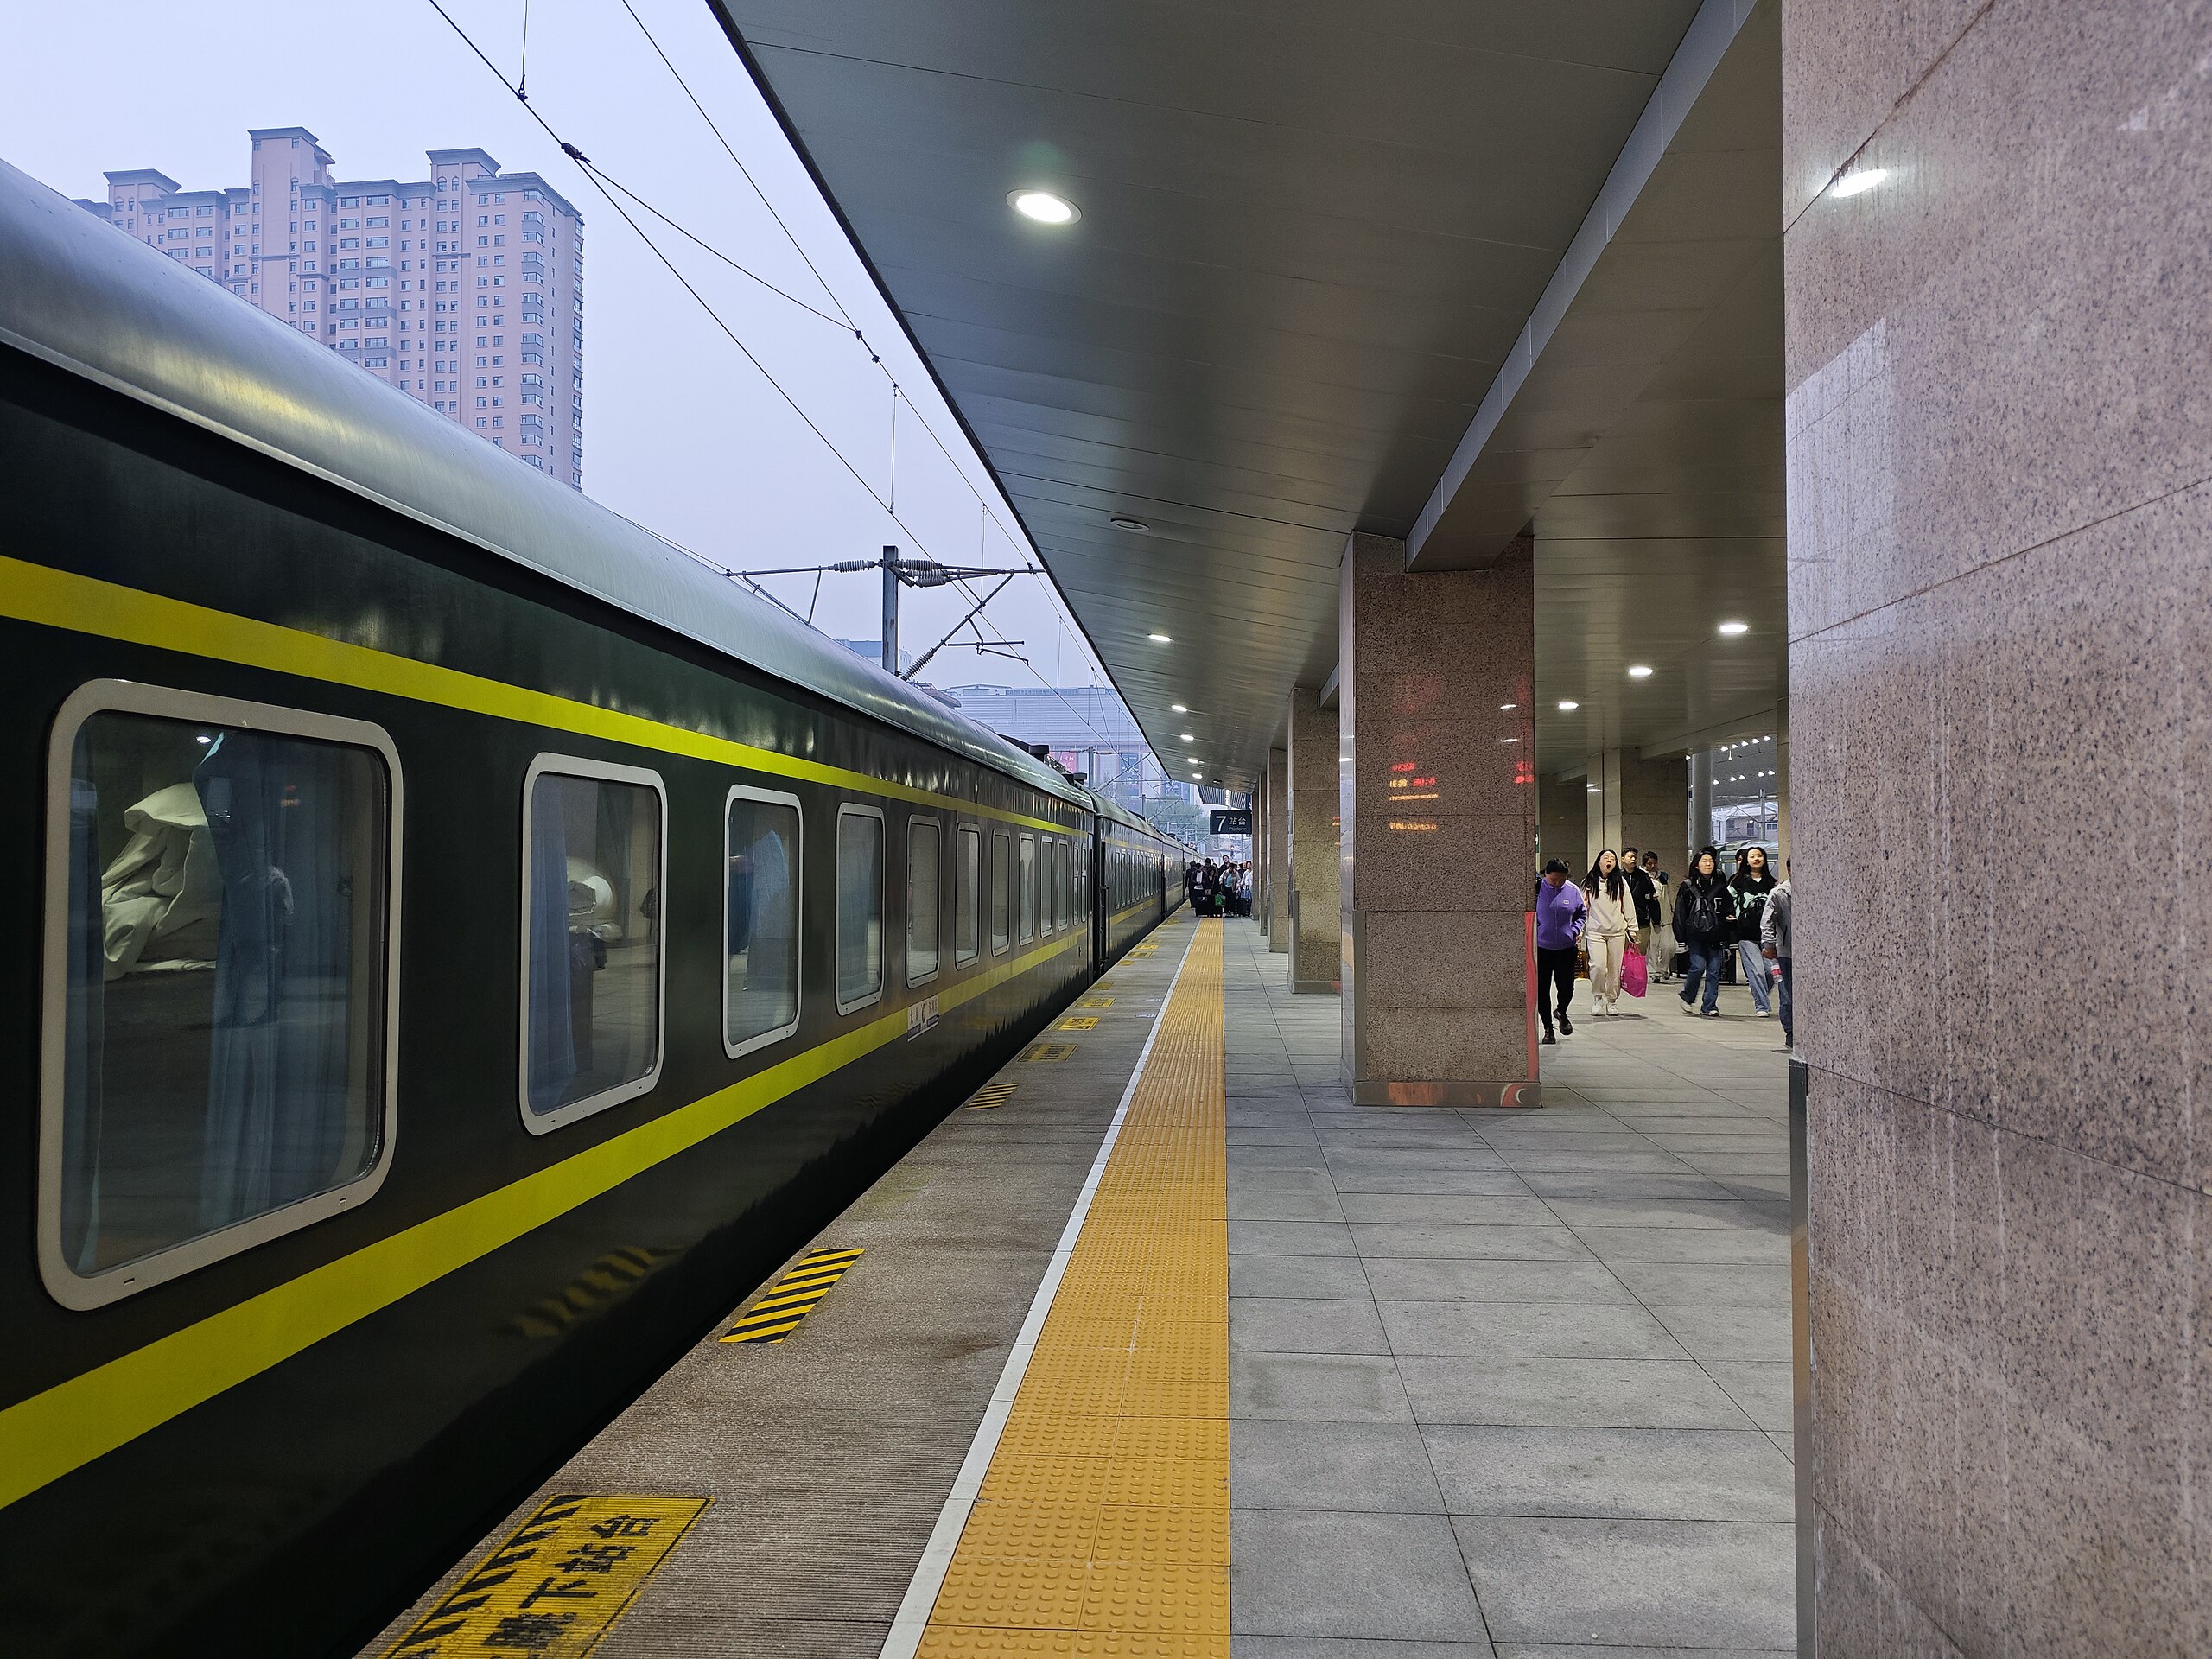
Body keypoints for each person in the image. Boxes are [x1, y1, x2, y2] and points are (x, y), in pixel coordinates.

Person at [1673, 848, 1732, 1017]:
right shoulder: (1688, 886)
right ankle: (1688, 995)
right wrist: (1680, 938)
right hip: (1695, 935)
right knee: (1698, 966)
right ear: (1696, 865)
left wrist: (1729, 921)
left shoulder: (1720, 886)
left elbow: (1728, 907)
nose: (1708, 864)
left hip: (1715, 935)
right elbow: (1680, 913)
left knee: (1714, 971)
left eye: (1711, 861)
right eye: (1704, 861)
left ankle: (1709, 1006)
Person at [1534, 857, 1586, 1043]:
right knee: (1542, 990)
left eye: (1561, 880)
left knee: (1566, 987)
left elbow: (1582, 914)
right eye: (1553, 879)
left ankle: (1562, 1011)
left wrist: (1574, 930)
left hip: (1565, 948)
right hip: (1542, 948)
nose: (1557, 883)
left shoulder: (1572, 890)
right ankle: (1548, 1028)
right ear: (1546, 875)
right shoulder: (1536, 890)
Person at [1581, 849, 1637, 1018]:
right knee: (1597, 966)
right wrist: (1579, 929)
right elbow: (1582, 907)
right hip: (1595, 932)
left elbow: (1628, 906)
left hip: (1616, 932)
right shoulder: (1589, 882)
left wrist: (1632, 928)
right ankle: (1598, 997)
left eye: (1612, 859)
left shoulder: (1620, 883)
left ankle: (1612, 1001)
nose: (1609, 861)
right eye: (1606, 858)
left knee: (1614, 969)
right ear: (1599, 861)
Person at [1730, 846, 1779, 1018]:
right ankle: (1761, 1006)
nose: (1756, 859)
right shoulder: (1737, 882)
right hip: (1746, 935)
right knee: (1756, 971)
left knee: (1770, 972)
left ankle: (1758, 990)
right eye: (1752, 856)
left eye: (1759, 856)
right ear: (1746, 860)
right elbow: (1730, 901)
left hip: (1768, 936)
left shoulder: (1772, 883)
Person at [1762, 857, 1794, 1048]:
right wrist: (1769, 945)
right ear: (1789, 869)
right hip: (1786, 952)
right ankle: (1790, 1032)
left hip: (1810, 955)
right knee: (1787, 995)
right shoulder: (1780, 893)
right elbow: (1767, 921)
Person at [1623, 844, 1656, 973]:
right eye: (1630, 856)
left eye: (1635, 857)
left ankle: (1636, 976)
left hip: (1641, 920)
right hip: (1621, 922)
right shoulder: (1617, 877)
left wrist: (1655, 919)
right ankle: (1622, 976)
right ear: (1623, 859)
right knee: (1622, 953)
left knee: (1639, 953)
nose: (1633, 859)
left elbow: (1651, 897)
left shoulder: (1643, 876)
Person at [1642, 850, 1675, 981]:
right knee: (1653, 947)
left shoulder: (1663, 876)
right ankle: (1654, 972)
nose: (1652, 866)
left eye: (1654, 863)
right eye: (1649, 863)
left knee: (1669, 946)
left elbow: (1669, 894)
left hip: (1666, 915)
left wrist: (1672, 909)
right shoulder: (1642, 877)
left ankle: (1663, 968)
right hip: (1651, 917)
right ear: (1644, 864)